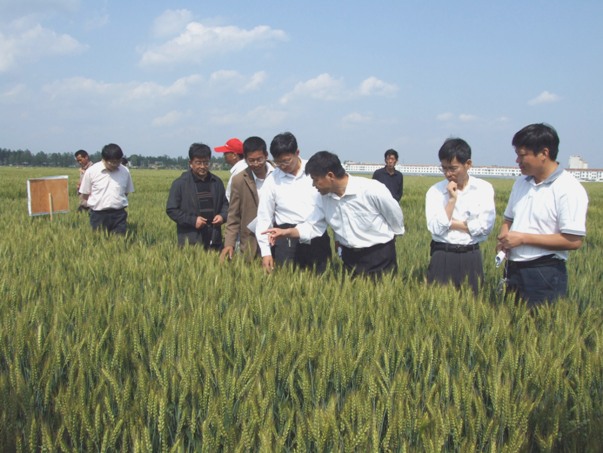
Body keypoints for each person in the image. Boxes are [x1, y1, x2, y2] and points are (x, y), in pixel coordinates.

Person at [263, 151, 404, 278]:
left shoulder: (371, 189)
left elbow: (395, 217)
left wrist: (389, 243)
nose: (313, 185)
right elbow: (314, 226)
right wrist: (286, 232)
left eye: (315, 179)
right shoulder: (323, 199)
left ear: (330, 176)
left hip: (379, 257)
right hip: (349, 259)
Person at [497, 123, 588, 308]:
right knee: (510, 323)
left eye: (522, 155)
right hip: (513, 269)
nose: (517, 160)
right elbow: (509, 219)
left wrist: (523, 239)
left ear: (544, 153)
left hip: (543, 273)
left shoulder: (568, 188)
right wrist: (504, 236)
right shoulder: (521, 183)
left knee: (540, 324)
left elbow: (573, 240)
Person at [425, 138, 496, 294]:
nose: (448, 174)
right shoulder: (435, 191)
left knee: (473, 303)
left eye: (453, 168)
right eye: (444, 168)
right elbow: (436, 228)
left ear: (468, 164)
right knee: (438, 304)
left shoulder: (483, 189)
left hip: (471, 255)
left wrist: (450, 223)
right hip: (442, 254)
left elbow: (484, 228)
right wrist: (452, 200)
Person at [255, 132, 331, 273]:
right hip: (285, 240)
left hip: (316, 237)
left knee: (321, 280)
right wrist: (266, 252)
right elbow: (264, 218)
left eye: (286, 161)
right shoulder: (272, 180)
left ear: (297, 153)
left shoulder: (315, 171)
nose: (282, 166)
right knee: (285, 281)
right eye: (278, 162)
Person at [220, 136, 274, 262]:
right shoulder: (239, 180)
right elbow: (233, 215)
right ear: (245, 158)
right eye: (251, 160)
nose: (256, 164)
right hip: (251, 242)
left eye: (259, 159)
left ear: (266, 155)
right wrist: (229, 243)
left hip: (276, 240)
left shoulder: (278, 174)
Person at [166, 143, 229, 249]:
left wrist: (222, 216)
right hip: (191, 240)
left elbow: (225, 204)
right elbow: (172, 209)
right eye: (198, 163)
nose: (202, 166)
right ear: (190, 163)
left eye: (206, 162)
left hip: (214, 239)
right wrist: (193, 221)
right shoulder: (180, 183)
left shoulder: (216, 182)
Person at [79, 143, 134, 234]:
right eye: (112, 162)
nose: (116, 164)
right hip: (98, 215)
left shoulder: (125, 171)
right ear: (104, 159)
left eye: (118, 161)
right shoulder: (92, 171)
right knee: (98, 240)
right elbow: (85, 195)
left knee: (120, 240)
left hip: (119, 215)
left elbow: (126, 192)